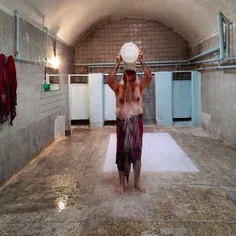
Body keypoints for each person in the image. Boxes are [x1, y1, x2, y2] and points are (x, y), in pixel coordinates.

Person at [106, 48, 152, 194]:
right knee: (122, 154)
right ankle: (121, 184)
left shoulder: (139, 87)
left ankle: (137, 182)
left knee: (136, 155)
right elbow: (108, 80)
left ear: (135, 79)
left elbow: (149, 76)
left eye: (133, 80)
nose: (130, 83)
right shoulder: (118, 88)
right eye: (128, 80)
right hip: (122, 124)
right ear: (124, 78)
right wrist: (117, 63)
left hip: (136, 124)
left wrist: (141, 60)